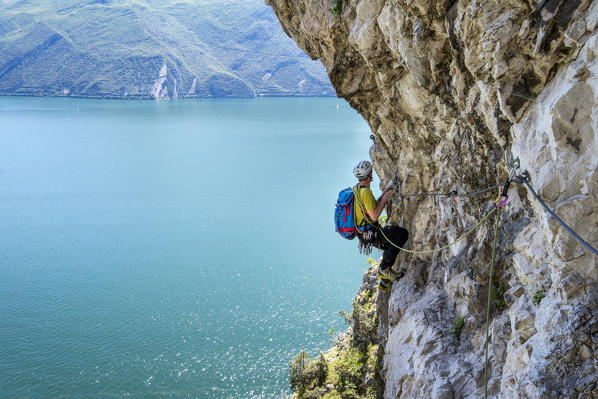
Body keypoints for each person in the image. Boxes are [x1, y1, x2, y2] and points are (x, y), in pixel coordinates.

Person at [352, 160, 409, 289]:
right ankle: (384, 269)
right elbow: (374, 216)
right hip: (370, 233)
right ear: (369, 174)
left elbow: (369, 208)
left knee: (390, 246)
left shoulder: (358, 188)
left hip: (364, 234)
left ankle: (385, 282)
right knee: (401, 234)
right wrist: (385, 198)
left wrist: (384, 194)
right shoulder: (365, 192)